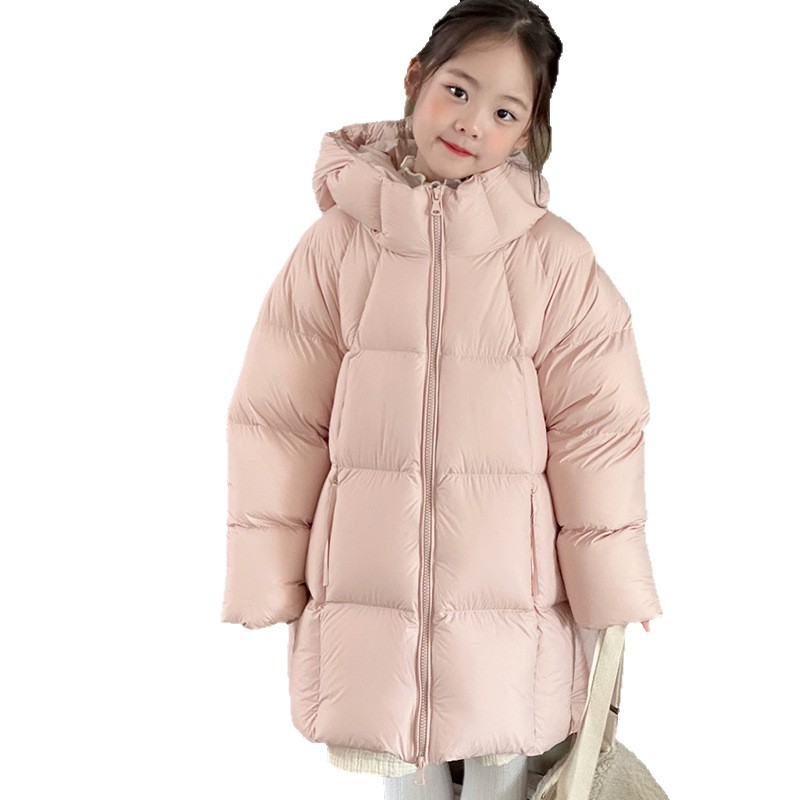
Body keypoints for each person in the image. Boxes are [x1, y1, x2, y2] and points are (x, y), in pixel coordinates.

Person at [220, 2, 663, 799]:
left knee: (503, 770)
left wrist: (610, 583)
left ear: (526, 132)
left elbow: (598, 426)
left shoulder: (552, 260)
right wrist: (267, 574)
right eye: (458, 91)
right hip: (371, 587)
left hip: (512, 593)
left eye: (504, 112)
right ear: (416, 78)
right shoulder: (337, 246)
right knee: (404, 775)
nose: (471, 123)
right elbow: (278, 417)